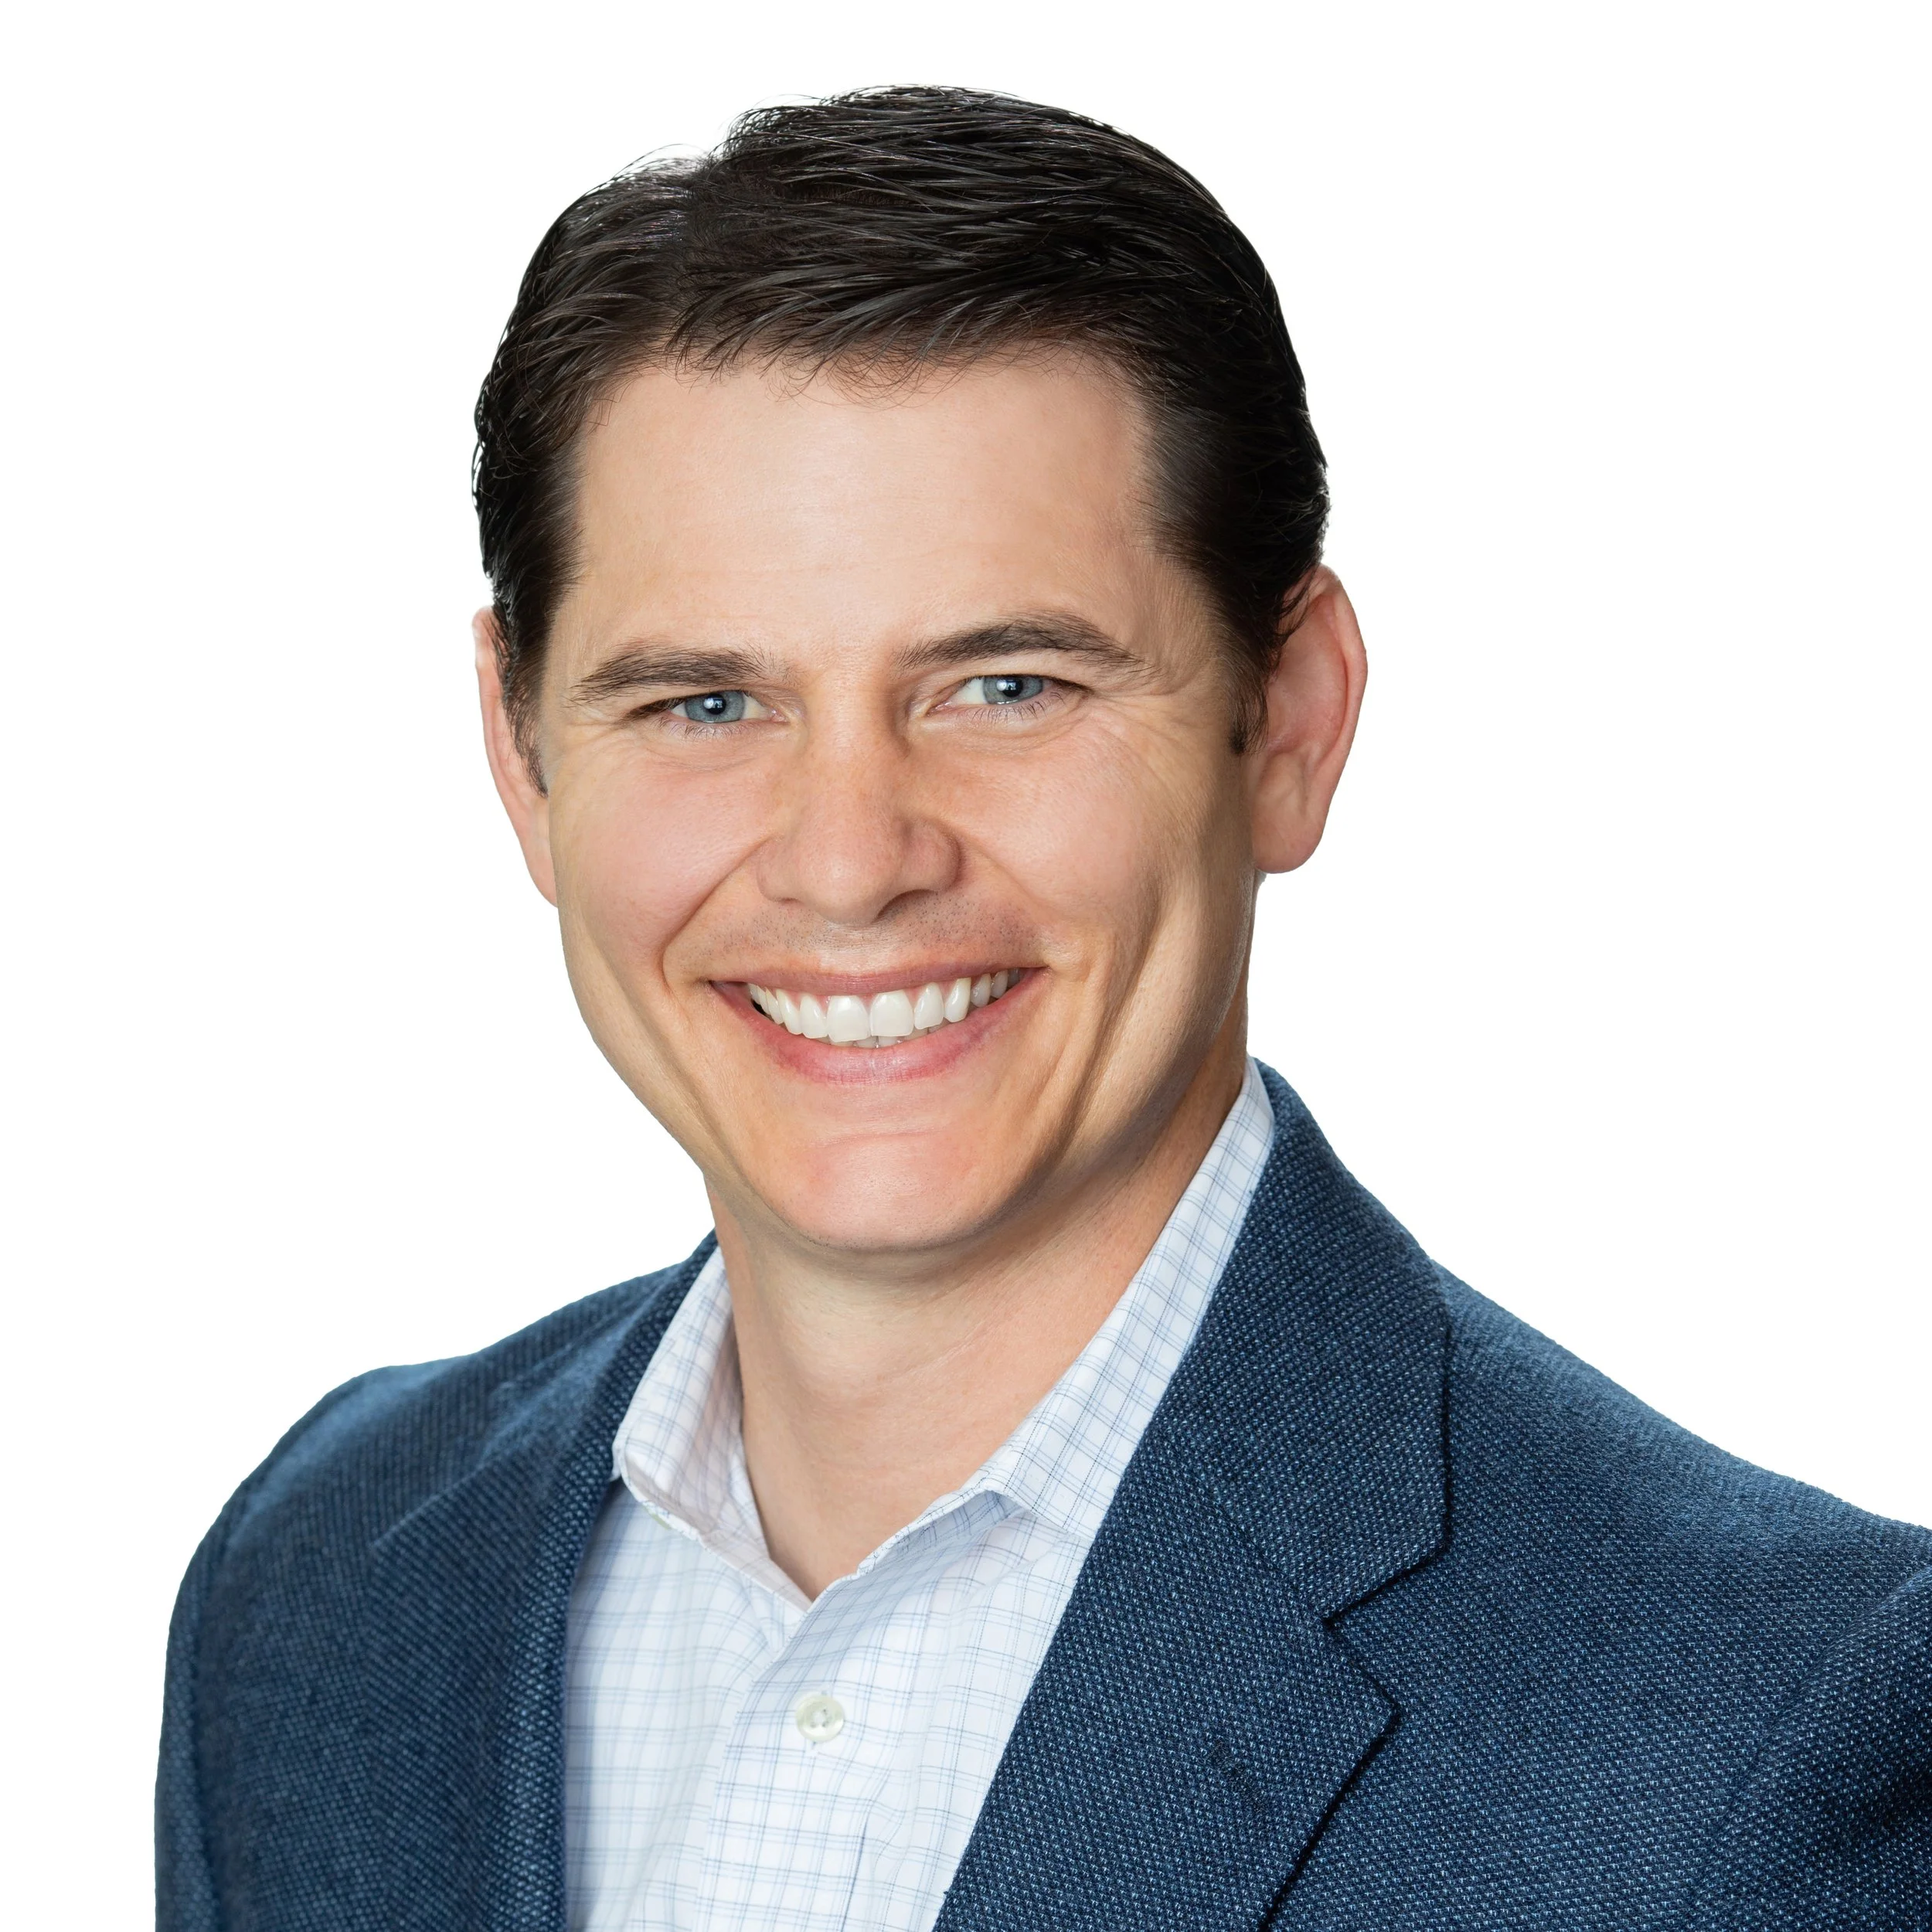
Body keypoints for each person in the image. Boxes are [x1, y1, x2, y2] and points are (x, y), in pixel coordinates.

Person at [156, 87, 1931, 1932]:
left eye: (1003, 684)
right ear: (520, 759)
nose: (847, 860)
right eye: (701, 702)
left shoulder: (1763, 1744)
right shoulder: (319, 1595)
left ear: (1293, 722)